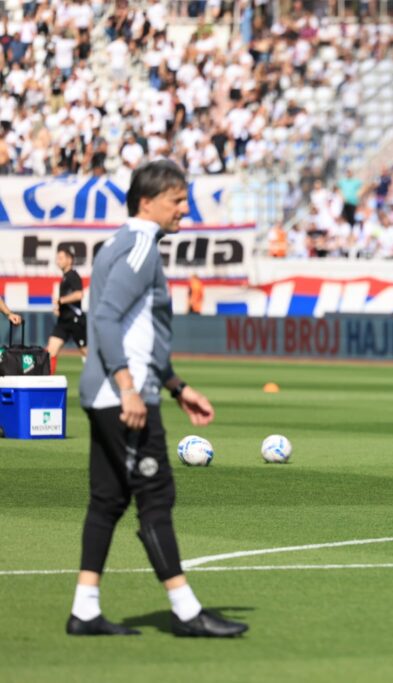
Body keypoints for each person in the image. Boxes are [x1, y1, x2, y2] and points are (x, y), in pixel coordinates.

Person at [69, 160, 248, 638]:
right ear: (147, 202)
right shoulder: (139, 246)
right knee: (155, 496)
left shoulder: (121, 244)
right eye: (177, 200)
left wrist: (176, 386)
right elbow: (106, 319)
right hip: (122, 397)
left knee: (108, 500)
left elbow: (136, 330)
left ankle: (85, 609)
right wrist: (129, 388)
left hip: (113, 391)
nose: (185, 209)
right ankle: (186, 612)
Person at [46, 246, 88, 374]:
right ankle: (47, 382)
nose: (57, 261)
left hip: (75, 321)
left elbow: (79, 294)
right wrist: (59, 309)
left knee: (87, 352)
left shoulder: (73, 275)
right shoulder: (64, 277)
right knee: (50, 352)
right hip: (63, 321)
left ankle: (105, 376)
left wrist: (61, 300)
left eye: (61, 258)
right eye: (57, 258)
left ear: (69, 260)